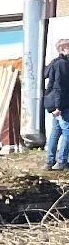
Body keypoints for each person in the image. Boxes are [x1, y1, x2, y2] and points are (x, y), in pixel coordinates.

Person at [46, 38, 69, 170]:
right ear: (63, 49)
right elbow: (59, 86)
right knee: (67, 132)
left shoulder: (56, 63)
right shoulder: (61, 64)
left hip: (58, 104)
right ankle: (61, 161)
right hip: (62, 105)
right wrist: (57, 106)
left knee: (56, 132)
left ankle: (49, 161)